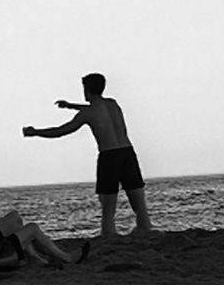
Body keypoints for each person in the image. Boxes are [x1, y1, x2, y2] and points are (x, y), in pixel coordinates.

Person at [22, 72, 152, 239]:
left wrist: (35, 132)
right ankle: (146, 232)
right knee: (139, 204)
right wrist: (70, 106)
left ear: (86, 89)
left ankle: (109, 236)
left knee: (108, 206)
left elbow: (61, 131)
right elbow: (97, 109)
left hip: (109, 156)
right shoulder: (113, 104)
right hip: (127, 153)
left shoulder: (87, 114)